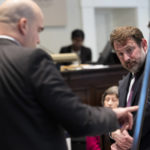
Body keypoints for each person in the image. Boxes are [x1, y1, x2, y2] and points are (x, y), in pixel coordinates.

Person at [0, 1, 138, 150]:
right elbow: (78, 120)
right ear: (24, 25)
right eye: (38, 30)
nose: (38, 40)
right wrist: (113, 114)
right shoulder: (30, 59)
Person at [110, 26, 149, 150]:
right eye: (120, 54)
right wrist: (114, 133)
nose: (126, 58)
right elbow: (119, 119)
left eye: (129, 50)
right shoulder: (123, 83)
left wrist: (123, 139)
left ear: (144, 44)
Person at [86, 86, 119, 150]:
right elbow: (92, 147)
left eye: (114, 100)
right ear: (103, 103)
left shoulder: (126, 121)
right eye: (107, 100)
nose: (109, 103)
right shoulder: (95, 122)